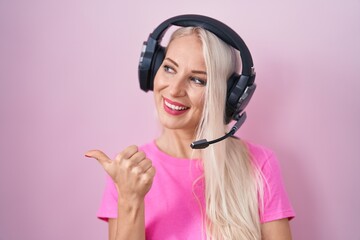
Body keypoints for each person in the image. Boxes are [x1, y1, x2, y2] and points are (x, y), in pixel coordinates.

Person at [85, 15, 295, 240]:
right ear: (152, 69)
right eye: (169, 68)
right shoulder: (129, 170)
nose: (174, 89)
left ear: (226, 97)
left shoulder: (259, 164)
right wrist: (130, 200)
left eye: (197, 80)